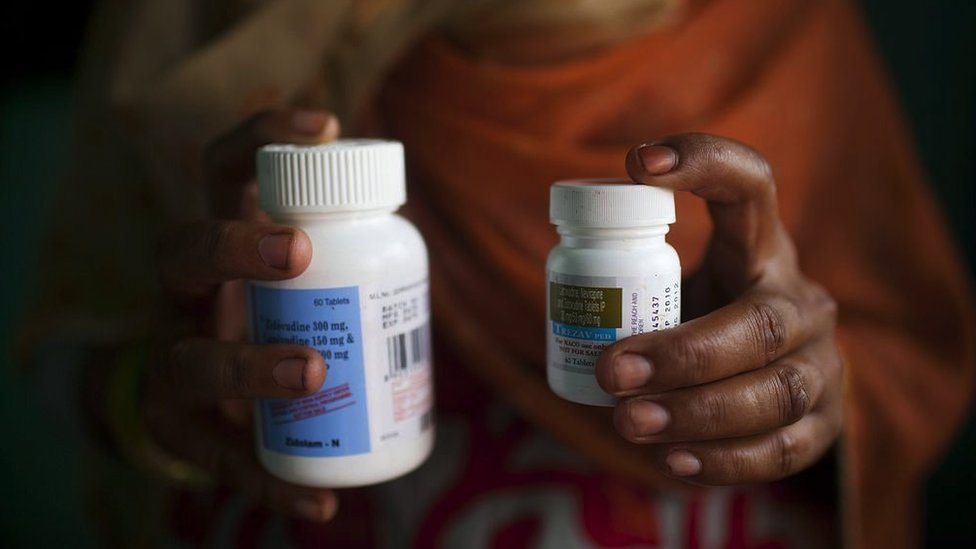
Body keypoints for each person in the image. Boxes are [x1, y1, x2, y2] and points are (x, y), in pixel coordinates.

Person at [19, 0, 974, 547]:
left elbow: (906, 357)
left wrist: (801, 386)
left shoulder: (773, 25)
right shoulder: (184, 24)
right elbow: (61, 347)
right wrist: (147, 390)